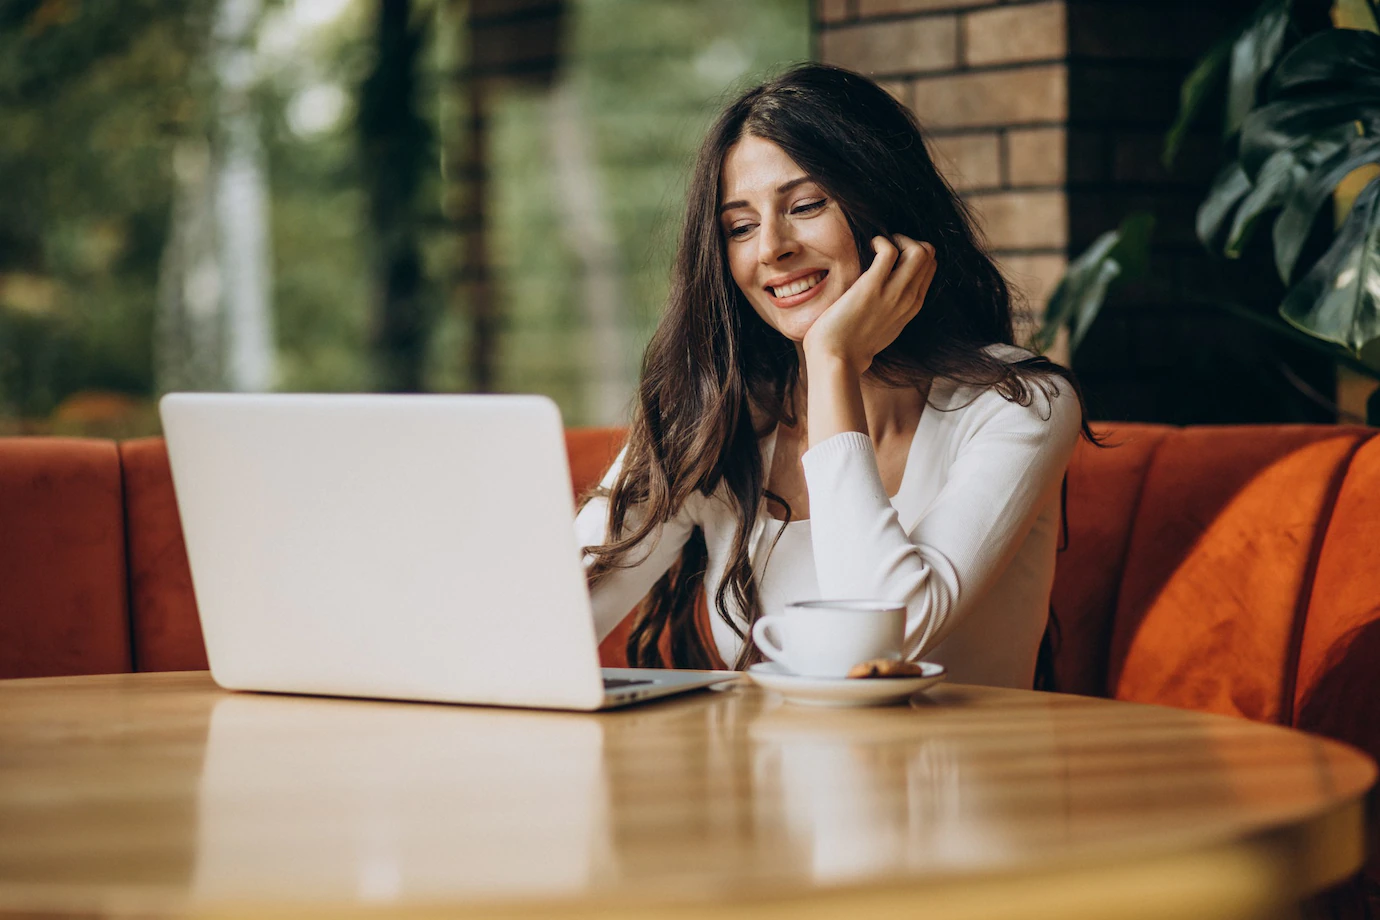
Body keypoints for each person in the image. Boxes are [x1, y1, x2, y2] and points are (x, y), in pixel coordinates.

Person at [575, 63, 1093, 690]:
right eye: (739, 227)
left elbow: (884, 635)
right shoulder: (724, 418)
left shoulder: (1020, 404)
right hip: (769, 782)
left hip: (954, 782)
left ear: (884, 203)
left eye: (806, 205)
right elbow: (554, 619)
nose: (771, 248)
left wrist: (832, 364)